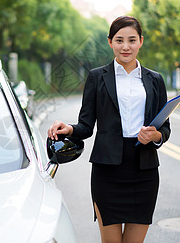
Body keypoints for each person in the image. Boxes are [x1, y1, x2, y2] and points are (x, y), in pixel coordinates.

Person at [47, 15, 170, 243]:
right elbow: (86, 126)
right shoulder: (97, 77)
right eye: (119, 40)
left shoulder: (155, 80)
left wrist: (155, 136)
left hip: (144, 171)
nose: (126, 46)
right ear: (110, 42)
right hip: (107, 171)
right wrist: (69, 129)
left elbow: (165, 130)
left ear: (141, 41)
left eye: (132, 40)